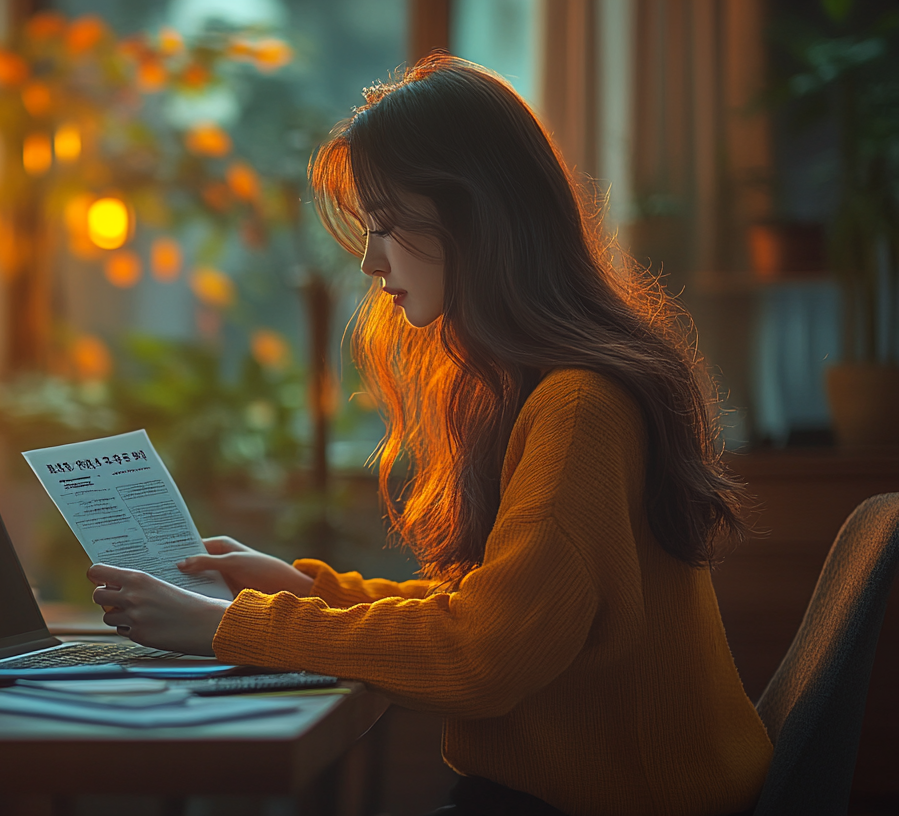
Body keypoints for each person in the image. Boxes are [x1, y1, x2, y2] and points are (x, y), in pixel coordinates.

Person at [87, 56, 772, 816]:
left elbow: (481, 657)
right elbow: (493, 614)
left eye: (386, 226)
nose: (372, 262)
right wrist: (309, 590)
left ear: (474, 217)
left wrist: (231, 626)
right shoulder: (552, 389)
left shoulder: (581, 407)